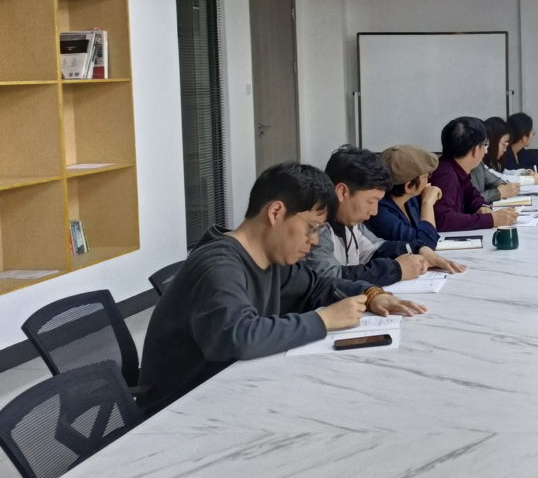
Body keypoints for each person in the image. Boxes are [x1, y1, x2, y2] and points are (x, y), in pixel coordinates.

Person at [138, 162, 426, 415]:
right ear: (276, 212)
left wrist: (372, 294)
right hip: (179, 411)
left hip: (229, 392)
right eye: (311, 227)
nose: (314, 240)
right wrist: (324, 320)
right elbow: (239, 337)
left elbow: (318, 287)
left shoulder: (271, 259)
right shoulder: (219, 264)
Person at [306, 145, 464, 284]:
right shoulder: (315, 229)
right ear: (342, 192)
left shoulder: (352, 223)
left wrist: (418, 248)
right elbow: (330, 278)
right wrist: (396, 269)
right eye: (370, 201)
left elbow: (376, 248)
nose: (374, 211)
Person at [430, 116, 520, 231]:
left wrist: (482, 206)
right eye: (485, 145)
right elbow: (442, 219)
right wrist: (491, 219)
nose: (486, 151)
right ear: (475, 150)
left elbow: (473, 196)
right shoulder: (445, 175)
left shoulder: (458, 169)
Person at [366, 144, 443, 248]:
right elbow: (425, 244)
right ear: (408, 186)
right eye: (426, 176)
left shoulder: (410, 200)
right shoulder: (380, 212)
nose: (428, 180)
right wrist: (427, 203)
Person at [470, 116, 524, 204]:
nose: (486, 150)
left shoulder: (478, 165)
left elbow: (496, 180)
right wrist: (498, 192)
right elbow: (468, 202)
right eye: (485, 144)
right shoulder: (450, 173)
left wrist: (503, 187)